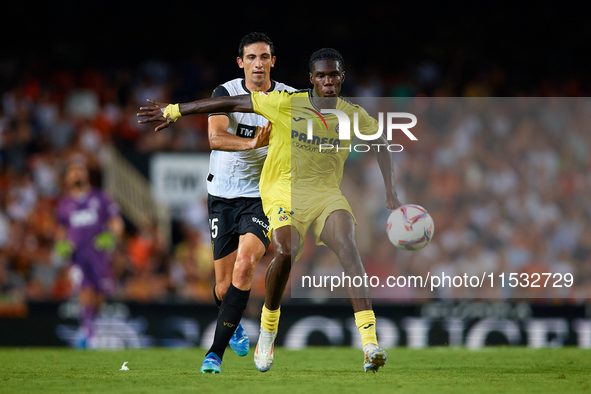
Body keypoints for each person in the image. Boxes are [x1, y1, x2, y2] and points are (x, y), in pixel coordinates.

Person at [137, 48, 402, 373]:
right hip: (282, 192)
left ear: (342, 78)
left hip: (324, 195)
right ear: (312, 79)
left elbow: (380, 143)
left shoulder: (353, 114)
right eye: (322, 76)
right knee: (283, 253)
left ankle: (370, 345)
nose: (328, 81)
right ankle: (268, 328)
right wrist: (177, 109)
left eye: (334, 75)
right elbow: (231, 104)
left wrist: (391, 190)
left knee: (349, 247)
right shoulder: (288, 103)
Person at [199, 32, 294, 374]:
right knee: (224, 287)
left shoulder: (288, 97)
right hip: (223, 195)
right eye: (251, 57)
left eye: (264, 57)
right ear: (241, 63)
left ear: (272, 61)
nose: (258, 63)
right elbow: (215, 137)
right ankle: (233, 321)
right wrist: (254, 143)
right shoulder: (225, 93)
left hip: (262, 197)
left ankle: (214, 354)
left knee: (246, 263)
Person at [54, 158, 124, 348]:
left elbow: (116, 222)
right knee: (85, 291)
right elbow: (60, 230)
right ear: (67, 177)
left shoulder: (100, 198)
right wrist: (61, 245)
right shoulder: (64, 204)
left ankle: (92, 326)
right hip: (78, 256)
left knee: (100, 294)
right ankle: (88, 332)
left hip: (99, 256)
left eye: (79, 170)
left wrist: (111, 236)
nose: (76, 174)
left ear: (86, 174)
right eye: (72, 171)